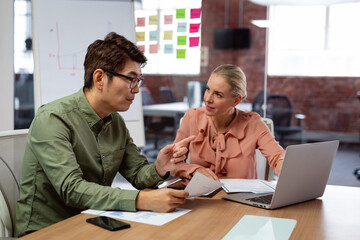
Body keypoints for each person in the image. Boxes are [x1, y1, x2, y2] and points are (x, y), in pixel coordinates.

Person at [15, 32, 194, 237]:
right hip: (46, 231)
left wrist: (160, 168)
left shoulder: (115, 121)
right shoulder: (53, 118)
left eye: (138, 80)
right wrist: (141, 199)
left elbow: (136, 174)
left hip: (93, 222)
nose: (136, 90)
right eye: (130, 79)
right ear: (100, 78)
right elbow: (72, 190)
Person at [171, 64, 285, 182]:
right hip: (200, 198)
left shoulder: (253, 124)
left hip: (240, 199)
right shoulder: (191, 118)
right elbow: (172, 164)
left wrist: (282, 165)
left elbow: (278, 156)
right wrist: (193, 170)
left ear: (236, 100)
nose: (208, 99)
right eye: (208, 89)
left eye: (218, 94)